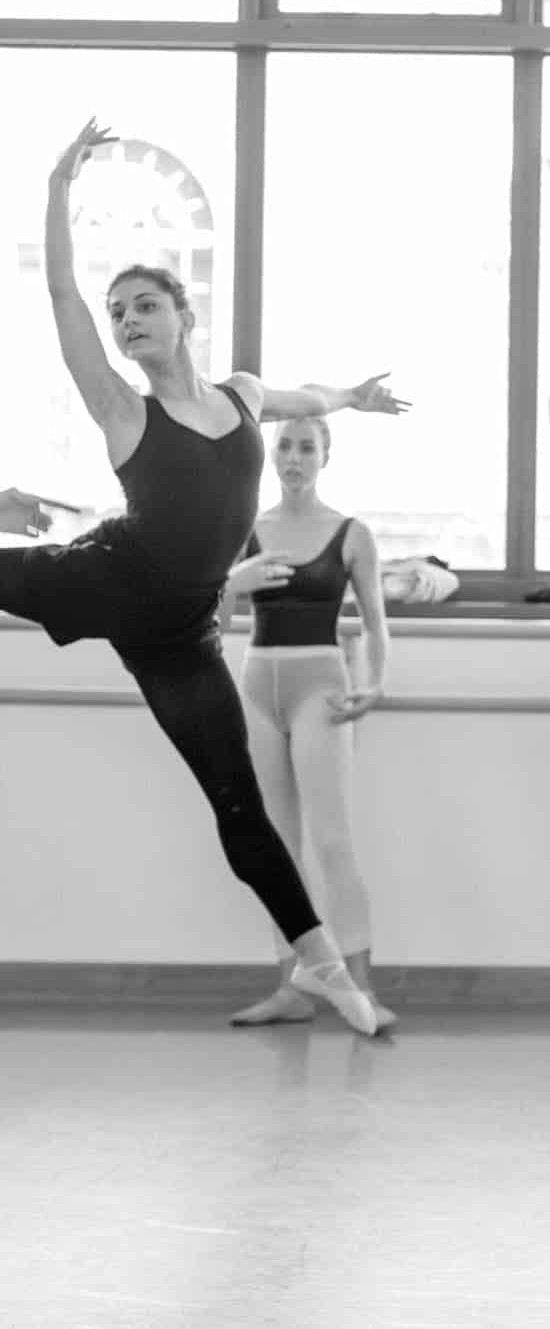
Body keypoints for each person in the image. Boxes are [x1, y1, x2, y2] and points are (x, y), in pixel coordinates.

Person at [1, 120, 408, 1035]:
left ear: (184, 315)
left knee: (238, 804)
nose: (127, 321)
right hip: (104, 577)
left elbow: (307, 396)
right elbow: (60, 292)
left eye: (144, 305)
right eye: (119, 314)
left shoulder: (242, 396)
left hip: (180, 631)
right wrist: (58, 186)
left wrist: (355, 398)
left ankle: (323, 967)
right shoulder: (119, 408)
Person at [218, 417, 396, 1031]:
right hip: (257, 684)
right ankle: (292, 985)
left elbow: (376, 624)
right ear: (272, 455)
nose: (293, 458)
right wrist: (228, 585)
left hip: (322, 687)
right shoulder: (244, 528)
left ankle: (364, 987)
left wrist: (375, 682)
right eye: (284, 446)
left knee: (331, 839)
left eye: (306, 447)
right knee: (276, 844)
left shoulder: (351, 533)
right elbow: (214, 625)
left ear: (326, 455)